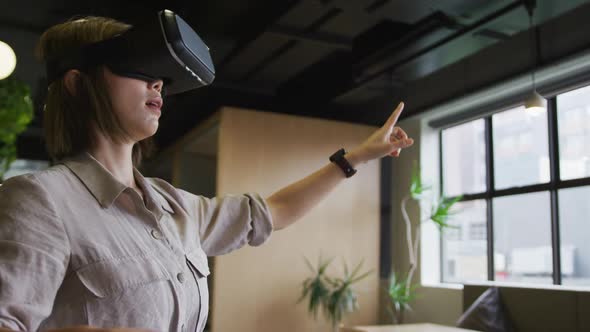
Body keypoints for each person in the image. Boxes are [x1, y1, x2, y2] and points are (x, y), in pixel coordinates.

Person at [0, 16, 414, 332]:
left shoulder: (174, 206)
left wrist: (357, 156)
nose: (158, 83)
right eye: (138, 68)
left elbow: (274, 210)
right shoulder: (38, 201)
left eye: (159, 75)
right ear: (77, 83)